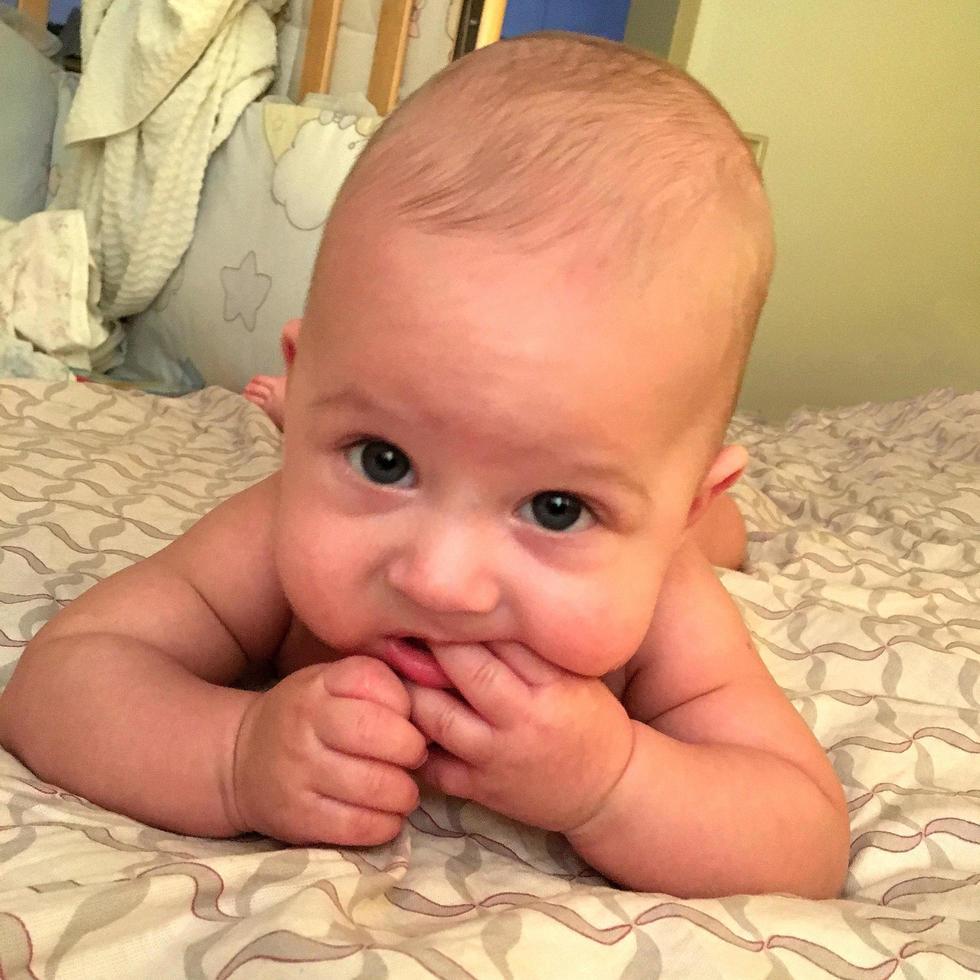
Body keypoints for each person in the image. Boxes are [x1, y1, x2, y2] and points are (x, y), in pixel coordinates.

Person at [0, 33, 849, 899]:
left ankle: (715, 526)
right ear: (308, 397)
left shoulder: (668, 598)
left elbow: (803, 839)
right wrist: (235, 752)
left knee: (713, 548)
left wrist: (615, 783)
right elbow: (65, 677)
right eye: (384, 459)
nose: (441, 580)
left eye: (557, 508)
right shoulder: (274, 534)